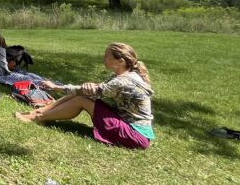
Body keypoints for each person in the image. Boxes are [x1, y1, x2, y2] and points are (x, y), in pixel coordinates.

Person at [16, 43, 155, 149]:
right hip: (129, 126)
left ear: (121, 61)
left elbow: (92, 92)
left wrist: (55, 87)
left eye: (107, 56)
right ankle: (39, 112)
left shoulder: (123, 81)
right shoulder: (123, 76)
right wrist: (90, 87)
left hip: (136, 135)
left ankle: (37, 117)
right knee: (82, 95)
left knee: (82, 99)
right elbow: (96, 90)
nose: (104, 58)